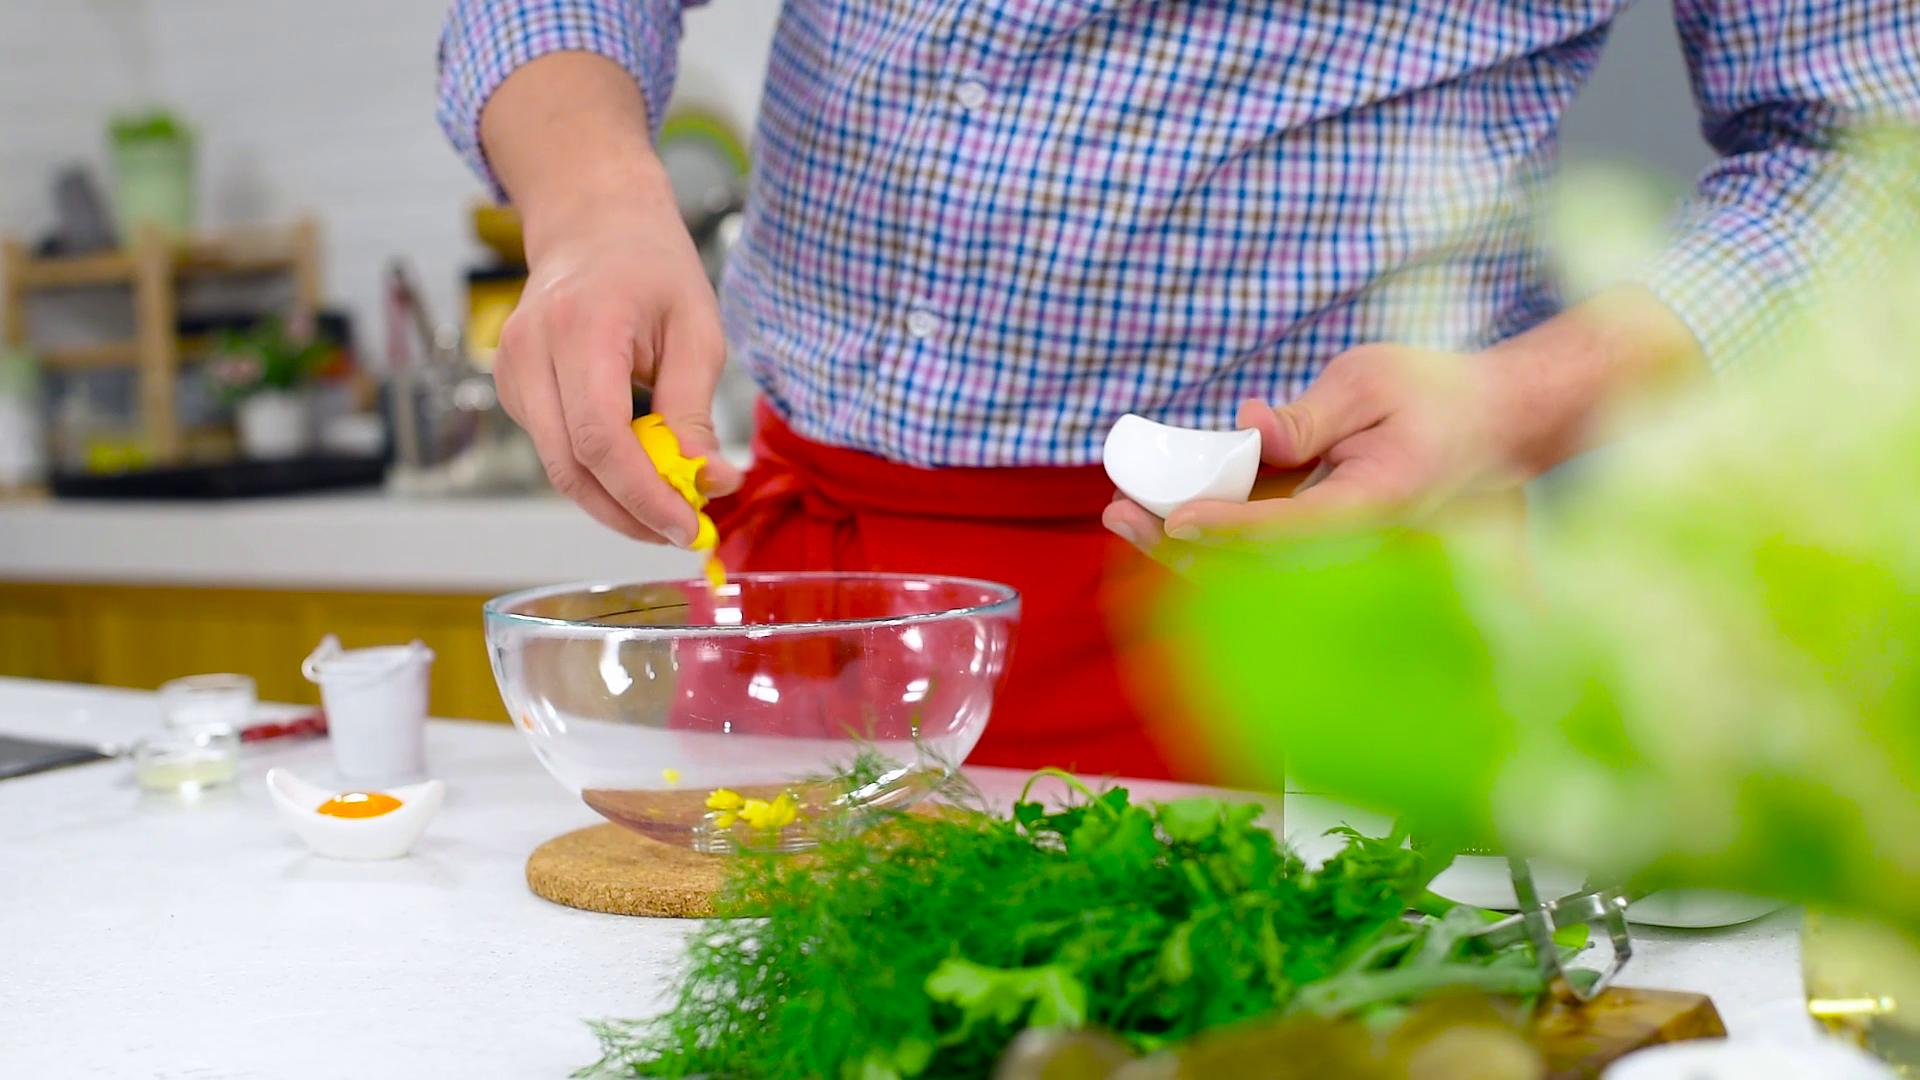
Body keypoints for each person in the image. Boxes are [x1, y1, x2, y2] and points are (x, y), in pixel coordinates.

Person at [439, 1, 1917, 779]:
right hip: (808, 574)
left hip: (1294, 596)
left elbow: (1875, 141)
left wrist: (1526, 397)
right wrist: (590, 194)